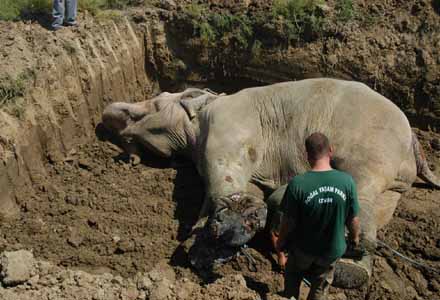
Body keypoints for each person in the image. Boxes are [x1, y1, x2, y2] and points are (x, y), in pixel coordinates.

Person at [275, 132, 361, 300]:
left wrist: (281, 242)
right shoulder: (347, 182)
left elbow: (288, 221)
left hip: (302, 250)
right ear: (330, 150)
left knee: (292, 277)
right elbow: (353, 219)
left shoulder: (298, 184)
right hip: (331, 251)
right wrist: (355, 238)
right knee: (320, 287)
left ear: (307, 155)